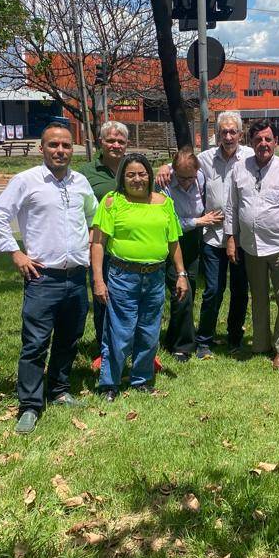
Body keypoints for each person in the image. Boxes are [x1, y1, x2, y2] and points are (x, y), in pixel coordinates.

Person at [0, 122, 98, 434]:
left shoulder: (81, 183)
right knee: (35, 343)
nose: (60, 151)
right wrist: (15, 253)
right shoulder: (26, 181)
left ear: (72, 149)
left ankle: (59, 390)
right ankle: (30, 405)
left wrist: (89, 240)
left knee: (68, 338)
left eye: (65, 146)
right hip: (42, 278)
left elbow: (94, 215)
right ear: (42, 148)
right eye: (53, 145)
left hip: (76, 278)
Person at [90, 153, 189, 400]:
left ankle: (141, 379)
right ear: (123, 177)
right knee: (118, 332)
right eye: (131, 174)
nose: (137, 179)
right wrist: (98, 280)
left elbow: (173, 241)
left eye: (142, 174)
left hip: (154, 277)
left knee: (149, 331)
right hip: (123, 276)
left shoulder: (164, 202)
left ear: (150, 176)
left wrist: (181, 274)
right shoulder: (113, 202)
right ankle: (109, 383)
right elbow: (99, 243)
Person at [157, 113, 252, 358]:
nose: (228, 136)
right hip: (212, 236)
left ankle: (234, 338)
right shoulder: (206, 159)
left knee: (240, 290)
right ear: (217, 134)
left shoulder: (251, 157)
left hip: (242, 237)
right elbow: (181, 165)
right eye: (224, 132)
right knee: (213, 290)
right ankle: (204, 340)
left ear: (240, 134)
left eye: (233, 132)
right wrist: (163, 167)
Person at [224, 119, 279, 370]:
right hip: (251, 247)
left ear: (275, 142)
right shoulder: (239, 169)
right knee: (258, 297)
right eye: (258, 139)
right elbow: (232, 207)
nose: (263, 144)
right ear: (250, 143)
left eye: (268, 139)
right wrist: (231, 238)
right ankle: (260, 343)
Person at [163, 148, 221, 362]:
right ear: (173, 171)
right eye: (182, 177)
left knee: (189, 291)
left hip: (193, 243)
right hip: (172, 242)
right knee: (181, 293)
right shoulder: (165, 184)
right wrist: (198, 221)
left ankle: (171, 338)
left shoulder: (200, 178)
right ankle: (183, 346)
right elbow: (169, 222)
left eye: (191, 177)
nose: (187, 182)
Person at [77, 121, 129, 357]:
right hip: (100, 246)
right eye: (111, 140)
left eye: (120, 141)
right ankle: (104, 347)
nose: (115, 145)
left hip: (130, 246)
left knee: (127, 298)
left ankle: (126, 345)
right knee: (102, 295)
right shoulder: (86, 173)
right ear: (101, 142)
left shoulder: (133, 167)